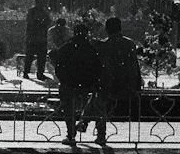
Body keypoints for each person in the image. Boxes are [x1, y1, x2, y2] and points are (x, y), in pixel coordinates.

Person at [94, 16, 142, 145]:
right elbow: (134, 65)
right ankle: (84, 123)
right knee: (97, 101)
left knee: (99, 103)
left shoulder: (106, 44)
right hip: (127, 84)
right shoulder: (130, 43)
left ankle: (99, 133)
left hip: (110, 85)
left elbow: (103, 66)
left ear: (107, 29)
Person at [50, 23, 100, 144]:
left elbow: (59, 67)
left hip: (69, 84)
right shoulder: (91, 49)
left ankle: (71, 134)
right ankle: (95, 130)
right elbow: (97, 67)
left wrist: (65, 80)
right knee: (96, 100)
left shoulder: (66, 47)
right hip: (87, 84)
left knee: (68, 106)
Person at [23, 0, 51, 79]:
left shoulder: (45, 11)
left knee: (41, 56)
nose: (45, 3)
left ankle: (40, 73)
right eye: (44, 1)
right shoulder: (32, 11)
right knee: (30, 56)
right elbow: (31, 23)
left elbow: (47, 22)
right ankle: (26, 72)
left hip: (42, 37)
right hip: (33, 37)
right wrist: (40, 23)